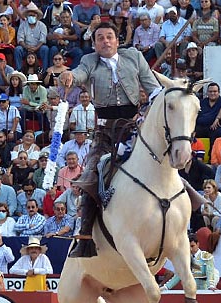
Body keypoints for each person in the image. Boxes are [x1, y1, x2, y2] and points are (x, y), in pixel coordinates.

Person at [58, 21, 160, 258]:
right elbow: (78, 74)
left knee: (164, 162)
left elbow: (152, 88)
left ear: (117, 40)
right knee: (91, 176)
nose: (105, 41)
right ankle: (85, 237)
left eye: (109, 37)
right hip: (105, 132)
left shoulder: (134, 56)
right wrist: (69, 76)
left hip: (135, 128)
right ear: (94, 44)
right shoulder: (89, 61)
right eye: (100, 38)